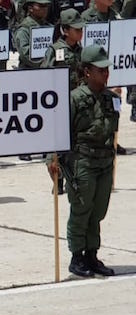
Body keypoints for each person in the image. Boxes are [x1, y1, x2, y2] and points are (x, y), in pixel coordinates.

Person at [49, 45, 118, 278]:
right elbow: (59, 131)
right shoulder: (74, 99)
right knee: (81, 210)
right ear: (87, 72)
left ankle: (92, 254)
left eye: (106, 69)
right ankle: (77, 256)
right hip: (83, 162)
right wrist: (52, 159)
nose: (105, 74)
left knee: (98, 211)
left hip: (105, 163)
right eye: (100, 70)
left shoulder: (111, 98)